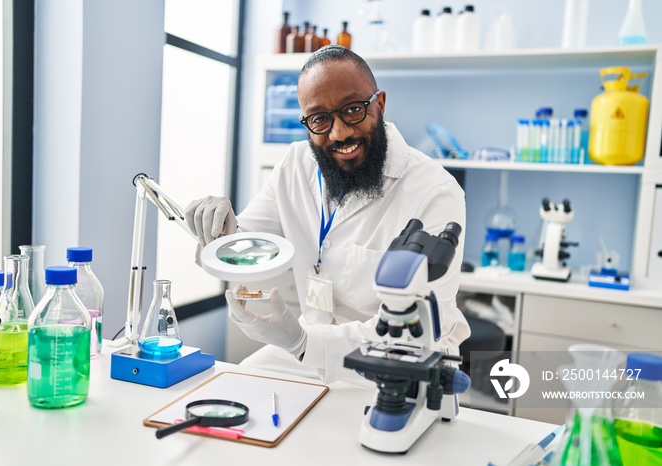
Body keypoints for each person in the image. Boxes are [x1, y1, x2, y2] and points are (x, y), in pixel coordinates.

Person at [186, 45, 469, 384]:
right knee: (237, 388)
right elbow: (244, 244)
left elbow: (412, 331)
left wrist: (303, 342)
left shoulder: (434, 191)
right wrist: (217, 232)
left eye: (352, 109)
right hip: (309, 353)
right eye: (320, 119)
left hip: (401, 365)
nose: (339, 133)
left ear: (378, 105)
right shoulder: (294, 165)